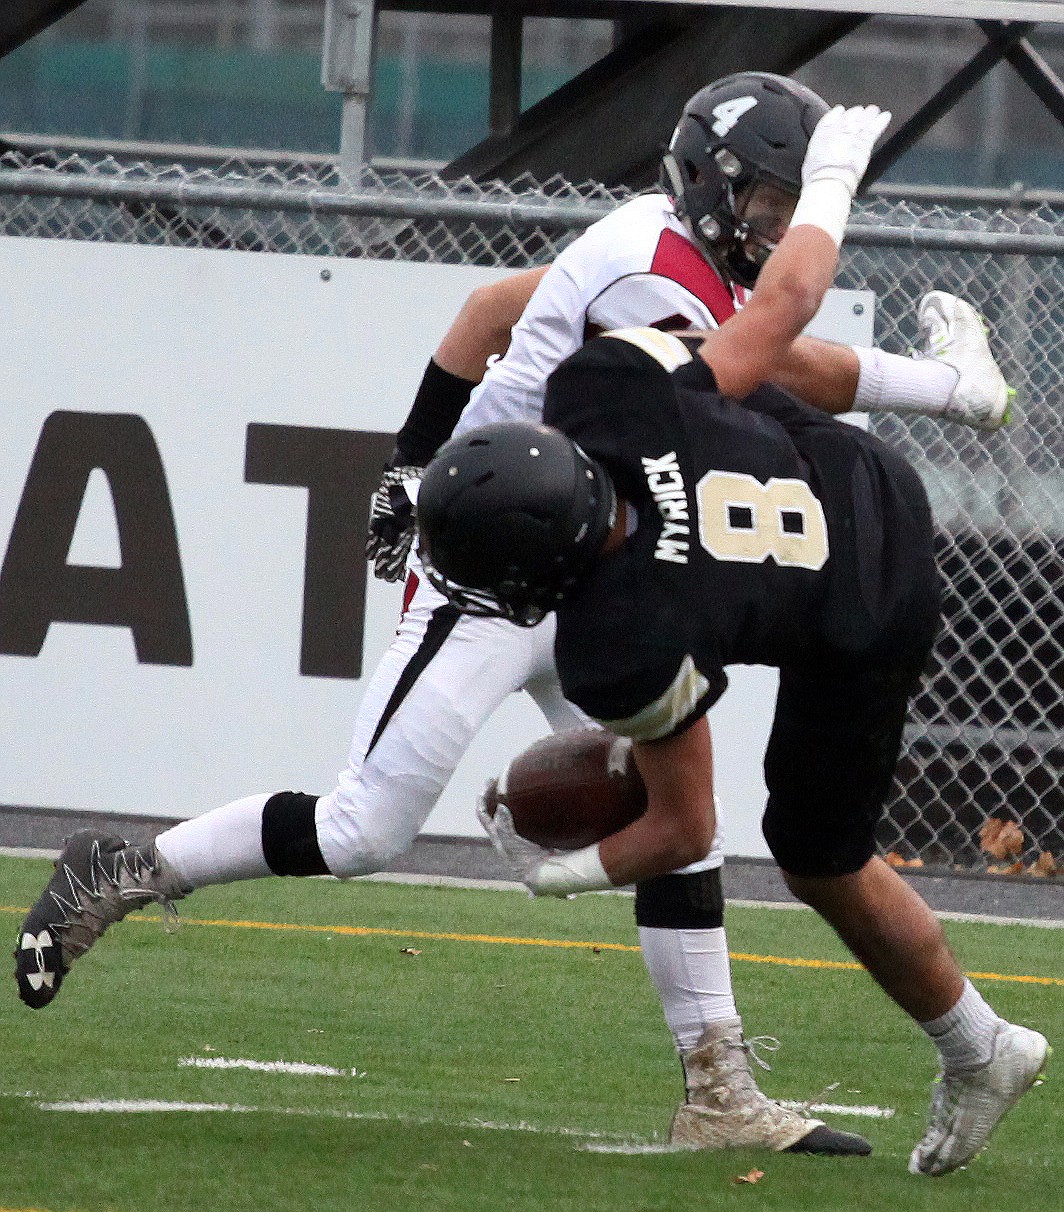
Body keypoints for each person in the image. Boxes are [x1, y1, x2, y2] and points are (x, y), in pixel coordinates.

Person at [14, 77, 1007, 1157]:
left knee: (683, 819)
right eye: (762, 206)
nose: (771, 230)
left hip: (617, 566)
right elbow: (766, 342)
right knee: (367, 827)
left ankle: (716, 1087)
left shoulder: (671, 250)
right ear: (716, 188)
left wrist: (943, 386)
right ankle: (119, 870)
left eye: (783, 209)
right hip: (501, 561)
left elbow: (562, 318)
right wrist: (410, 467)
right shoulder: (643, 266)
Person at [412, 106, 1049, 1178]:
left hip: (855, 631)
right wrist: (839, 179)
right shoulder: (606, 395)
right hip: (876, 495)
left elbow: (679, 828)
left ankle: (976, 1043)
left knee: (819, 857)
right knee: (734, 363)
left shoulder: (617, 644)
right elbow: (776, 325)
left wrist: (557, 870)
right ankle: (956, 390)